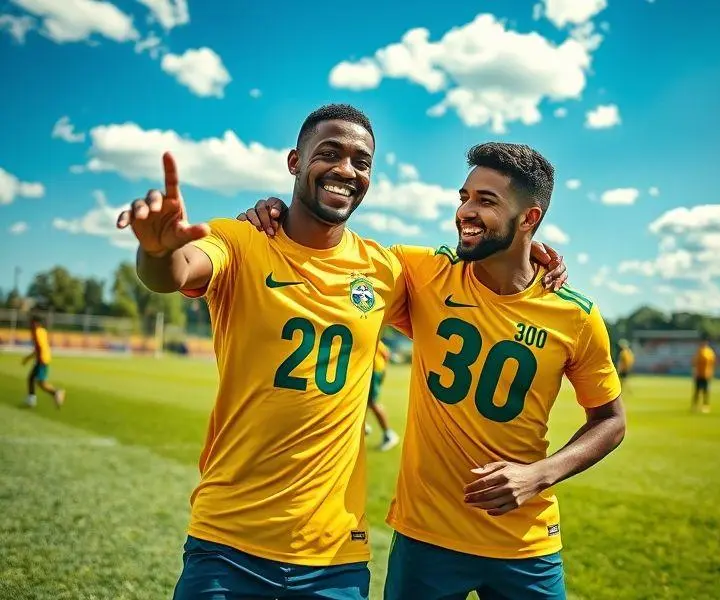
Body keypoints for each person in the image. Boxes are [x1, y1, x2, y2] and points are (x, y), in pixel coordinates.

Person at [116, 104, 568, 600]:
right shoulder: (240, 240)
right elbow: (175, 272)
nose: (345, 170)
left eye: (362, 161)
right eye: (328, 154)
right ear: (295, 161)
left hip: (335, 556)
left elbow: (481, 275)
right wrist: (157, 251)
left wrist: (532, 255)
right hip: (227, 541)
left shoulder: (386, 269)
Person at [242, 142, 626, 599]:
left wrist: (539, 474)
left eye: (486, 201)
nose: (465, 210)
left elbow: (610, 420)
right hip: (426, 538)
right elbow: (333, 252)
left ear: (529, 219)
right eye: (464, 196)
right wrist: (275, 214)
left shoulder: (575, 315)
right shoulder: (423, 272)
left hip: (525, 542)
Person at [22, 316, 65, 409]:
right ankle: (31, 399)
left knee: (41, 383)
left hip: (42, 360)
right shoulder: (42, 331)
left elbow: (40, 347)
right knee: (31, 378)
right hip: (44, 358)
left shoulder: (36, 332)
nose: (30, 325)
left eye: (32, 323)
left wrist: (33, 359)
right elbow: (40, 347)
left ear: (36, 323)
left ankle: (56, 392)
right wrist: (29, 358)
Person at [365, 338, 400, 451]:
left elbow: (386, 354)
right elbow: (386, 355)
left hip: (374, 371)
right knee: (366, 401)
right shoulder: (376, 338)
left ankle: (389, 434)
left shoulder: (373, 337)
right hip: (375, 371)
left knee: (372, 402)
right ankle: (363, 426)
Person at [691, 336, 716, 413]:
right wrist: (695, 372)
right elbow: (694, 363)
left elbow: (712, 363)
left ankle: (705, 406)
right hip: (699, 374)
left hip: (706, 374)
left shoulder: (710, 352)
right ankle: (695, 406)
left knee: (706, 391)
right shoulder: (699, 351)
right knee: (697, 391)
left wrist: (711, 373)